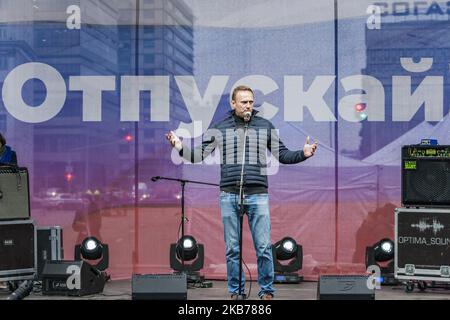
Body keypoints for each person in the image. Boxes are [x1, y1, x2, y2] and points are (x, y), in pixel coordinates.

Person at [166, 85, 317, 300]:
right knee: (233, 250)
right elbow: (198, 155)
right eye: (244, 101)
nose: (248, 105)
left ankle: (266, 291)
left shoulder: (265, 126)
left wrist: (303, 154)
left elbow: (282, 155)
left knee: (264, 247)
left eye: (251, 101)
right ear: (233, 104)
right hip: (229, 194)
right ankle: (236, 292)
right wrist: (180, 146)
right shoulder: (219, 127)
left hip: (258, 194)